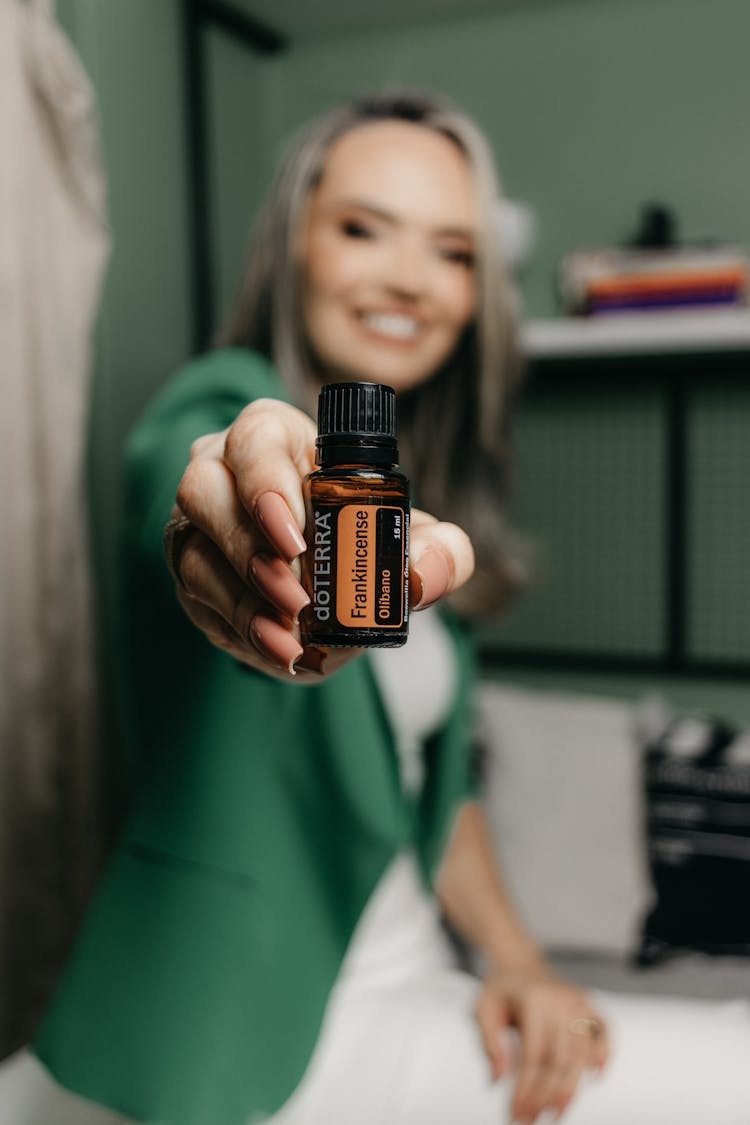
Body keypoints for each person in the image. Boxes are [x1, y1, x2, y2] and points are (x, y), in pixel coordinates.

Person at [2, 89, 749, 1125]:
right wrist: (242, 523)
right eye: (364, 229)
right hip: (232, 1029)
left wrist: (522, 961)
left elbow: (430, 795)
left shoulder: (413, 495)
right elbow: (188, 484)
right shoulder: (213, 400)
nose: (408, 278)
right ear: (292, 245)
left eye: (452, 250)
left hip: (414, 982)